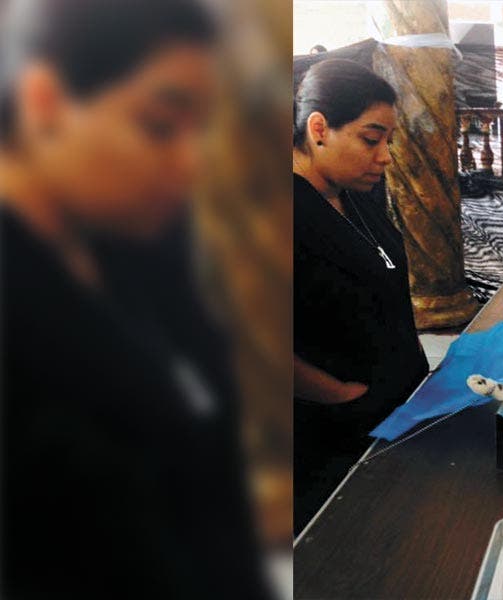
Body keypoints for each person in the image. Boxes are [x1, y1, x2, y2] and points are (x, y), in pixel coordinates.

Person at [0, 0, 272, 597]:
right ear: (44, 102)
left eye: (202, 132)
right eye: (159, 126)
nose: (191, 164)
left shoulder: (136, 237)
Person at [292, 59, 429, 533]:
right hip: (331, 436)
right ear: (319, 129)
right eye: (371, 139)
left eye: (388, 140)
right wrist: (341, 398)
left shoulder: (354, 193)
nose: (385, 156)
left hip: (395, 411)